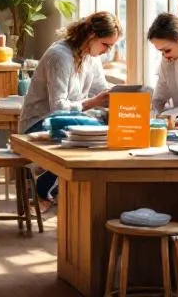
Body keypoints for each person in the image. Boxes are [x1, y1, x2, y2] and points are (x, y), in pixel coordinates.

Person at [20, 12, 121, 205]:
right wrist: (93, 102)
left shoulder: (92, 57)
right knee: (94, 132)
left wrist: (119, 97)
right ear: (91, 34)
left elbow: (100, 89)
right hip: (39, 122)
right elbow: (57, 108)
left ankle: (60, 187)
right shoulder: (60, 56)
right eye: (106, 44)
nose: (107, 51)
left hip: (67, 121)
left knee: (107, 127)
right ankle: (47, 185)